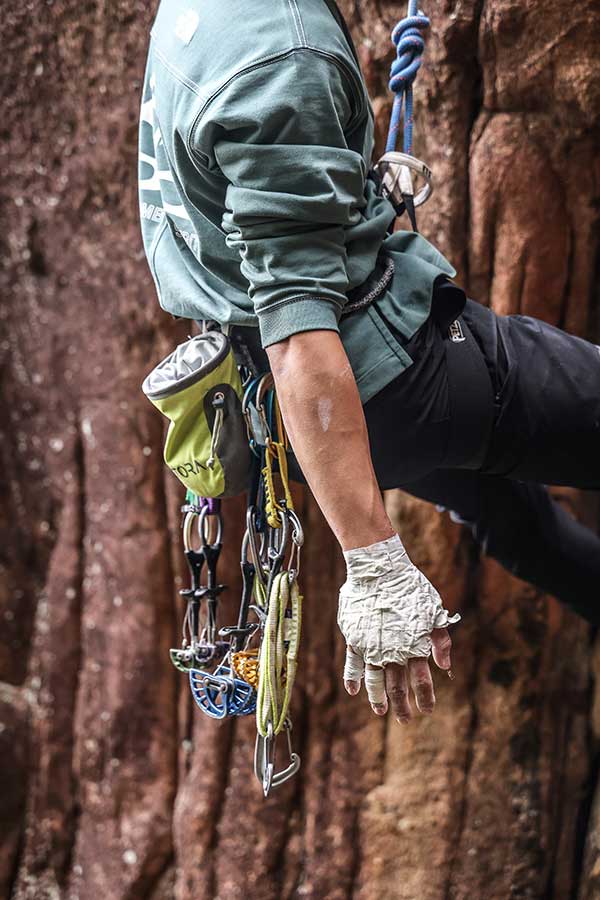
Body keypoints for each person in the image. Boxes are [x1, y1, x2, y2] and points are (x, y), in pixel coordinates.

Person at [137, 0, 600, 725]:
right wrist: (374, 562)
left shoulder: (196, 14)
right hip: (385, 378)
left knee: (514, 520)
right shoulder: (285, 60)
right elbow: (298, 330)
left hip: (302, 418)